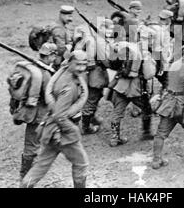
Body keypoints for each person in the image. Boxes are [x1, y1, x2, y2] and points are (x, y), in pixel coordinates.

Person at [21, 50, 89, 188]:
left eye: (84, 64)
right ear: (69, 63)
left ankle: (24, 186)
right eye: (78, 64)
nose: (81, 68)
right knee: (81, 163)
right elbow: (60, 115)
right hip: (63, 132)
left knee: (41, 165)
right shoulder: (68, 86)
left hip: (50, 128)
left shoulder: (63, 73)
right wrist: (73, 130)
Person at [151, 42, 184, 169]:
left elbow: (166, 83)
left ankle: (156, 160)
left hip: (168, 103)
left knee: (161, 133)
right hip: (182, 105)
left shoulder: (174, 65)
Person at [19, 43, 58, 180]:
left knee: (35, 142)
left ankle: (31, 168)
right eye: (54, 55)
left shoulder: (33, 67)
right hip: (38, 113)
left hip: (33, 111)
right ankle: (25, 174)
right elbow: (49, 95)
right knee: (32, 145)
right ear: (51, 56)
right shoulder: (45, 73)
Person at [80, 19, 114, 134]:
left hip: (96, 73)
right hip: (96, 75)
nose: (110, 32)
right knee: (91, 100)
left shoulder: (97, 40)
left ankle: (92, 118)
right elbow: (107, 62)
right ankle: (86, 127)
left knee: (96, 96)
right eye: (108, 29)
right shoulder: (99, 42)